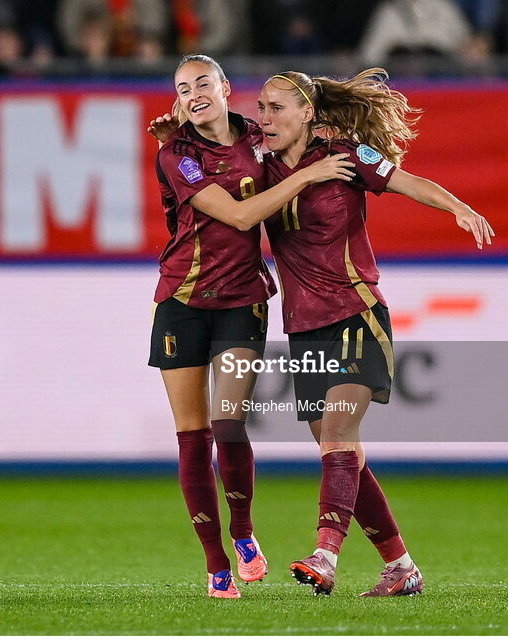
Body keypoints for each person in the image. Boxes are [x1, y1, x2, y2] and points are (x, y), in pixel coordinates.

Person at [256, 69, 494, 597]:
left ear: (308, 114)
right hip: (303, 328)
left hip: (356, 313)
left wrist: (458, 207)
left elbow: (409, 182)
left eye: (276, 108)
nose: (264, 118)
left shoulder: (348, 156)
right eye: (261, 107)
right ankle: (401, 568)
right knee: (344, 455)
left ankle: (325, 554)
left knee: (338, 438)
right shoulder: (260, 163)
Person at [147, 54, 355, 599]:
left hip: (242, 305)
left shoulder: (257, 140)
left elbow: (299, 137)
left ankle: (243, 533)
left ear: (223, 88)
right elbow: (241, 216)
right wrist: (311, 173)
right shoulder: (177, 154)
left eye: (201, 82)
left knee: (227, 424)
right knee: (191, 435)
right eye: (181, 86)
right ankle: (216, 565)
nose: (192, 93)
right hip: (182, 303)